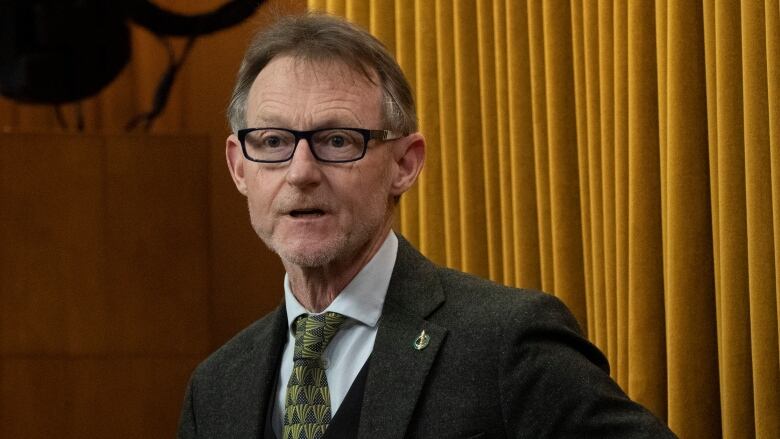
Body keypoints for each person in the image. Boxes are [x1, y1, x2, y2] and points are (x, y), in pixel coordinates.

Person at [177, 13, 677, 439]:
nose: (302, 172)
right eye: (272, 142)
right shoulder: (217, 387)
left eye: (336, 141)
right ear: (239, 167)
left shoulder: (507, 342)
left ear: (405, 164)